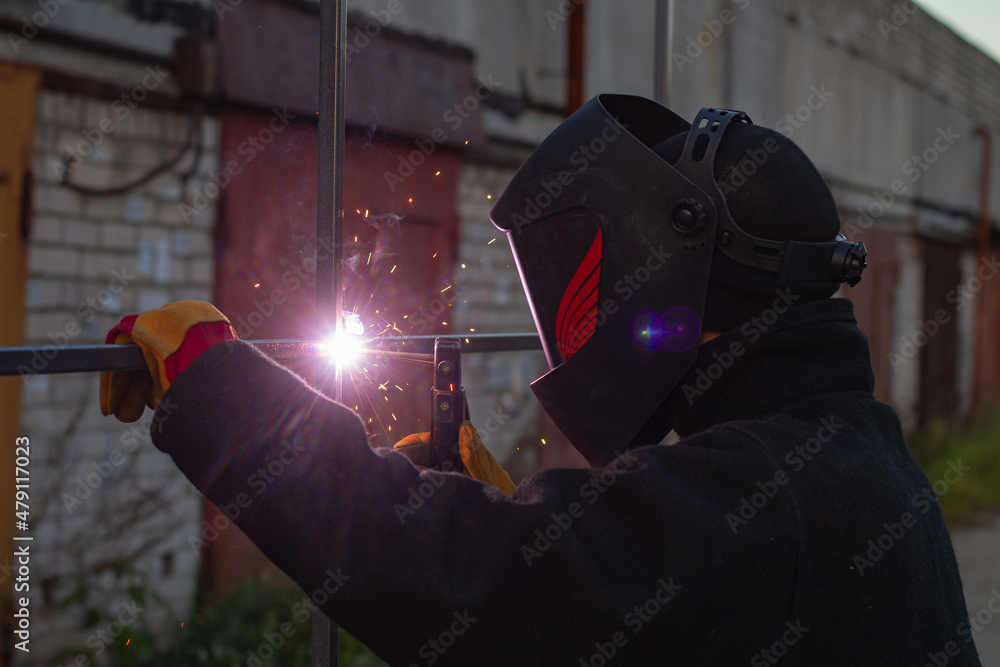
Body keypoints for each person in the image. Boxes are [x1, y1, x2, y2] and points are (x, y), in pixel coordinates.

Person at [100, 95, 981, 665]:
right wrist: (519, 524)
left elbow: (461, 580)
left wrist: (227, 397)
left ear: (675, 269)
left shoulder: (771, 494)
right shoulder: (856, 452)